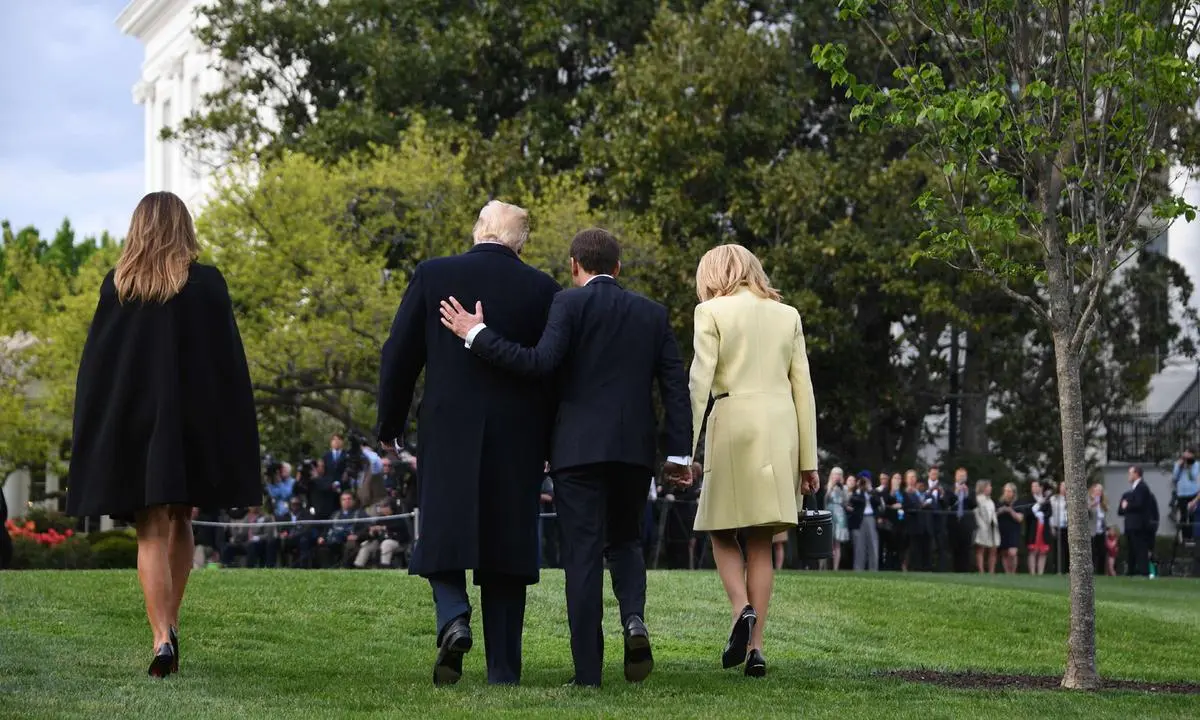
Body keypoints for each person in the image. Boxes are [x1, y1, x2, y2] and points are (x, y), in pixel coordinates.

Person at [439, 228, 691, 687]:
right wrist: (679, 453)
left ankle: (588, 675)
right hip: (634, 450)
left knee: (582, 558)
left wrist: (475, 334)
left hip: (577, 452)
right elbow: (674, 386)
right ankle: (633, 618)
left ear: (575, 266)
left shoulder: (567, 304)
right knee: (627, 541)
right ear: (618, 267)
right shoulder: (651, 314)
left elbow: (538, 364)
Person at [66, 191, 261, 677]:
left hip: (136, 424)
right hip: (190, 424)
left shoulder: (119, 287)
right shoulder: (208, 285)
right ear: (184, 228)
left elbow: (98, 370)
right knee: (181, 517)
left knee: (149, 529)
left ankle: (160, 640)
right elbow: (227, 366)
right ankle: (170, 625)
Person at [376, 200, 560, 687]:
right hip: (519, 433)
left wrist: (389, 423)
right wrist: (550, 439)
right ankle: (503, 669)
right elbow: (551, 373)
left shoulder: (434, 274)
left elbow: (399, 353)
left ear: (479, 229)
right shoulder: (544, 289)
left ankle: (454, 615)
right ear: (521, 242)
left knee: (443, 524)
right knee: (507, 542)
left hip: (448, 426)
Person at [686, 244, 819, 679]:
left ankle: (740, 609)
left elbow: (699, 382)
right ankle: (756, 648)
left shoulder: (711, 312)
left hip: (734, 422)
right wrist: (808, 461)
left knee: (719, 530)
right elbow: (804, 389)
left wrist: (684, 451)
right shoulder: (788, 315)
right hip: (781, 429)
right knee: (761, 540)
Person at [1118, 465, 1156, 577]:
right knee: (1131, 550)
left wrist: (1127, 505)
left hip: (1138, 525)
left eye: (1130, 473)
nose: (1128, 476)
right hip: (1131, 525)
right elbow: (1121, 510)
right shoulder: (1134, 490)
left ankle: (1144, 572)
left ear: (1136, 474)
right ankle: (1131, 571)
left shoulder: (1142, 487)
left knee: (1140, 549)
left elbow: (1139, 504)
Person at [847, 471, 882, 571]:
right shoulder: (855, 492)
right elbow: (852, 501)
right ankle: (858, 569)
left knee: (873, 545)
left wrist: (869, 490)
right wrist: (859, 489)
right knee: (859, 546)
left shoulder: (873, 491)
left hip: (870, 518)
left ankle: (873, 569)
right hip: (859, 520)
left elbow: (877, 502)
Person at [949, 468, 977, 573]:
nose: (961, 478)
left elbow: (974, 505)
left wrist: (966, 494)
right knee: (954, 547)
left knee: (966, 548)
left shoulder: (970, 490)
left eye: (963, 476)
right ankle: (954, 569)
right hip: (953, 522)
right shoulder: (950, 489)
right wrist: (956, 494)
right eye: (960, 476)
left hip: (966, 523)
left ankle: (965, 570)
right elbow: (948, 502)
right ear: (956, 477)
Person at [1022, 480, 1051, 576]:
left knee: (1043, 552)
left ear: (1040, 487)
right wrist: (1036, 511)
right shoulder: (1028, 499)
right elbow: (1027, 513)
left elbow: (1049, 512)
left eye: (1036, 486)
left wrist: (1042, 514)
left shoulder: (1046, 500)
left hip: (1043, 528)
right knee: (1032, 551)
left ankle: (1040, 572)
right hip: (1032, 528)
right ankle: (1032, 572)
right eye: (1032, 486)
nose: (1034, 488)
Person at [823, 468, 849, 571]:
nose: (837, 476)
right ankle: (824, 567)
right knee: (828, 541)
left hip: (840, 515)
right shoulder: (827, 487)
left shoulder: (844, 488)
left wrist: (843, 489)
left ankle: (835, 568)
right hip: (829, 513)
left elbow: (846, 502)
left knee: (837, 542)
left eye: (839, 474)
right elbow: (825, 500)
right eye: (835, 474)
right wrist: (831, 487)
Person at [996, 483, 1023, 574]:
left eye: (1009, 491)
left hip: (1014, 530)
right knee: (1004, 552)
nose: (1007, 493)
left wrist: (1010, 511)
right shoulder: (1000, 502)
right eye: (1006, 491)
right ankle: (1007, 573)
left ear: (1013, 493)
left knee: (1012, 552)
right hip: (1002, 530)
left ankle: (1013, 572)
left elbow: (1020, 518)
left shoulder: (1018, 503)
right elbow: (993, 515)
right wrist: (1001, 511)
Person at [1171, 450, 1199, 541]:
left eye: (1189, 458)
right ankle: (1185, 537)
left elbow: (1193, 478)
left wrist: (1189, 468)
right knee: (1183, 516)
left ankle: (1193, 538)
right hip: (1182, 494)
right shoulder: (1178, 464)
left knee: (1192, 516)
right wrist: (1179, 466)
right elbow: (1174, 478)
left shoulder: (1196, 465)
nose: (1187, 460)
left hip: (1193, 493)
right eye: (1185, 457)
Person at [973, 480, 998, 574]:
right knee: (981, 549)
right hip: (982, 527)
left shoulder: (990, 501)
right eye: (989, 486)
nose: (990, 488)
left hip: (992, 526)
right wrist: (981, 525)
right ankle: (981, 571)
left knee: (993, 549)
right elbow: (976, 513)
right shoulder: (978, 499)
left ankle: (991, 571)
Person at [1088, 483, 1108, 575]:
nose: (1099, 492)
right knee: (1092, 552)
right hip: (1092, 531)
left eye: (1100, 491)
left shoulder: (1102, 502)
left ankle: (1101, 572)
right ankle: (1091, 572)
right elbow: (1085, 511)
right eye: (1097, 490)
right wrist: (1092, 504)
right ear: (1093, 490)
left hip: (1101, 531)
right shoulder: (1089, 500)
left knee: (1102, 552)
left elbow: (1104, 516)